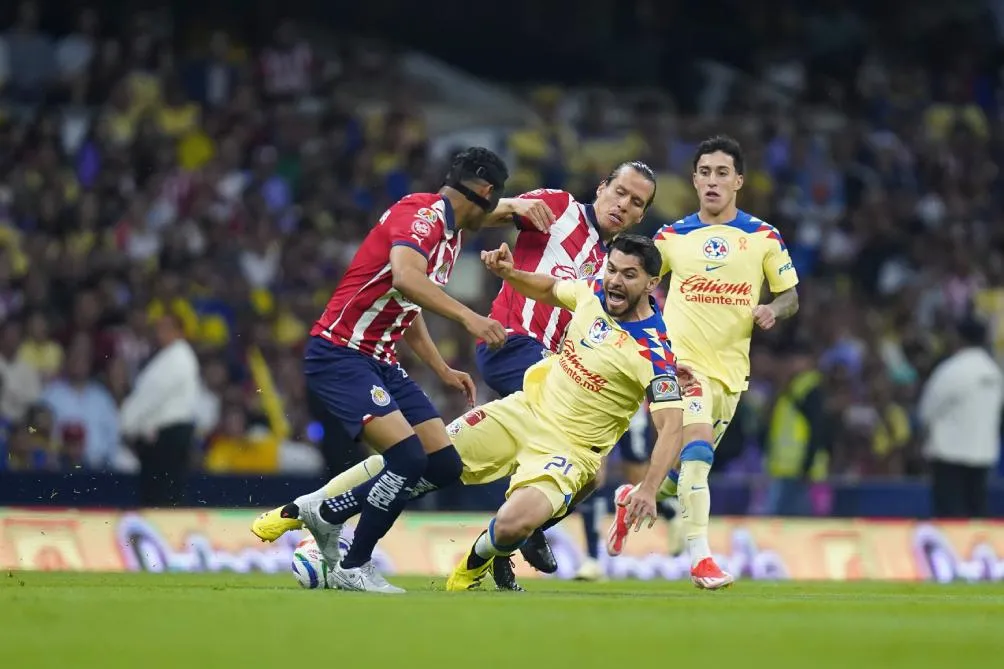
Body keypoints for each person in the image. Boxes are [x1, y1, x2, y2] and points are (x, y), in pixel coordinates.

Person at [250, 147, 510, 594]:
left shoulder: (450, 234)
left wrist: (441, 367)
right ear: (486, 192)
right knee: (407, 459)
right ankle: (354, 564)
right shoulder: (423, 216)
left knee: (444, 463)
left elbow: (407, 305)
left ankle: (329, 512)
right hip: (341, 353)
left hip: (380, 360)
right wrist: (470, 319)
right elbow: (407, 279)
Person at [606, 135, 800, 590]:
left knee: (679, 476)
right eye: (705, 173)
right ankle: (701, 558)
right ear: (694, 180)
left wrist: (774, 309)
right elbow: (635, 289)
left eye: (721, 174)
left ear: (738, 181)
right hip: (679, 367)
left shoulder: (763, 237)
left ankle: (633, 497)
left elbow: (790, 294)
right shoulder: (671, 237)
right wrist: (651, 349)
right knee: (697, 451)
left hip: (731, 374)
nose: (713, 182)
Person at [446, 234, 685, 590]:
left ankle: (476, 562)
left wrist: (649, 489)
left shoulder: (654, 351)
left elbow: (672, 428)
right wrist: (511, 274)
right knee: (425, 455)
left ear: (652, 283)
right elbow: (552, 288)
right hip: (530, 409)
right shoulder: (593, 291)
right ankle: (341, 530)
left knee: (526, 516)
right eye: (612, 270)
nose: (615, 281)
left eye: (629, 275)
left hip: (573, 450)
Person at [472, 161, 658, 587]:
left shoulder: (614, 266)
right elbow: (472, 215)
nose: (623, 205)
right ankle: (525, 530)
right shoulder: (558, 207)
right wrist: (512, 205)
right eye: (620, 192)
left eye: (636, 202)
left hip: (555, 366)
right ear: (602, 186)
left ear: (641, 215)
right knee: (575, 456)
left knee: (592, 472)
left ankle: (515, 532)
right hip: (511, 343)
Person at [919, 317, 1003, 518]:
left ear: (959, 339)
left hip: (949, 455)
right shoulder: (995, 372)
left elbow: (926, 411)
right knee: (977, 516)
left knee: (951, 517)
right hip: (983, 454)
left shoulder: (952, 370)